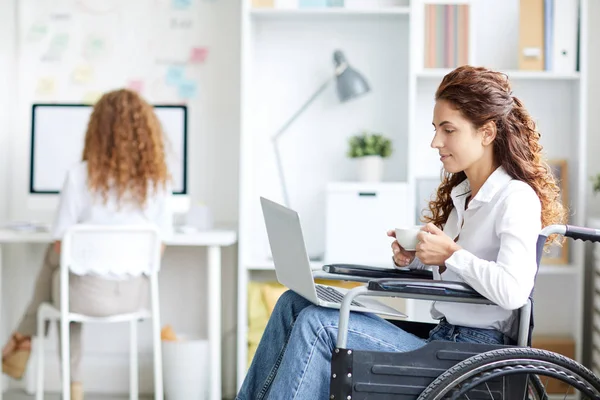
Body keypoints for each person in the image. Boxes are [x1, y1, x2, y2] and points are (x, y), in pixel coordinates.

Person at [236, 65, 566, 400]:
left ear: (487, 132)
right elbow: (459, 278)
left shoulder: (516, 198)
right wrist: (417, 262)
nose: (435, 141)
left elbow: (512, 291)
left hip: (471, 356)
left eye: (448, 130)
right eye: (436, 129)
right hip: (442, 340)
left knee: (317, 325)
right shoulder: (464, 196)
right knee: (292, 303)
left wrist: (451, 254)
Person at [1, 89, 173, 400]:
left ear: (97, 131)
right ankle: (24, 334)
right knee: (62, 273)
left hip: (85, 298)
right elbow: (157, 251)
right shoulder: (158, 183)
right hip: (134, 297)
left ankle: (47, 360)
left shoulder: (80, 176)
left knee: (59, 272)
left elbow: (60, 247)